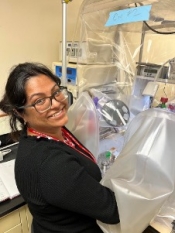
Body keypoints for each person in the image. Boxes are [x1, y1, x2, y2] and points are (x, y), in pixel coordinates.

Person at [0, 62, 120, 233]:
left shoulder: (44, 131)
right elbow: (113, 211)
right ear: (20, 113)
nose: (56, 104)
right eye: (39, 101)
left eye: (56, 92)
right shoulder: (52, 165)